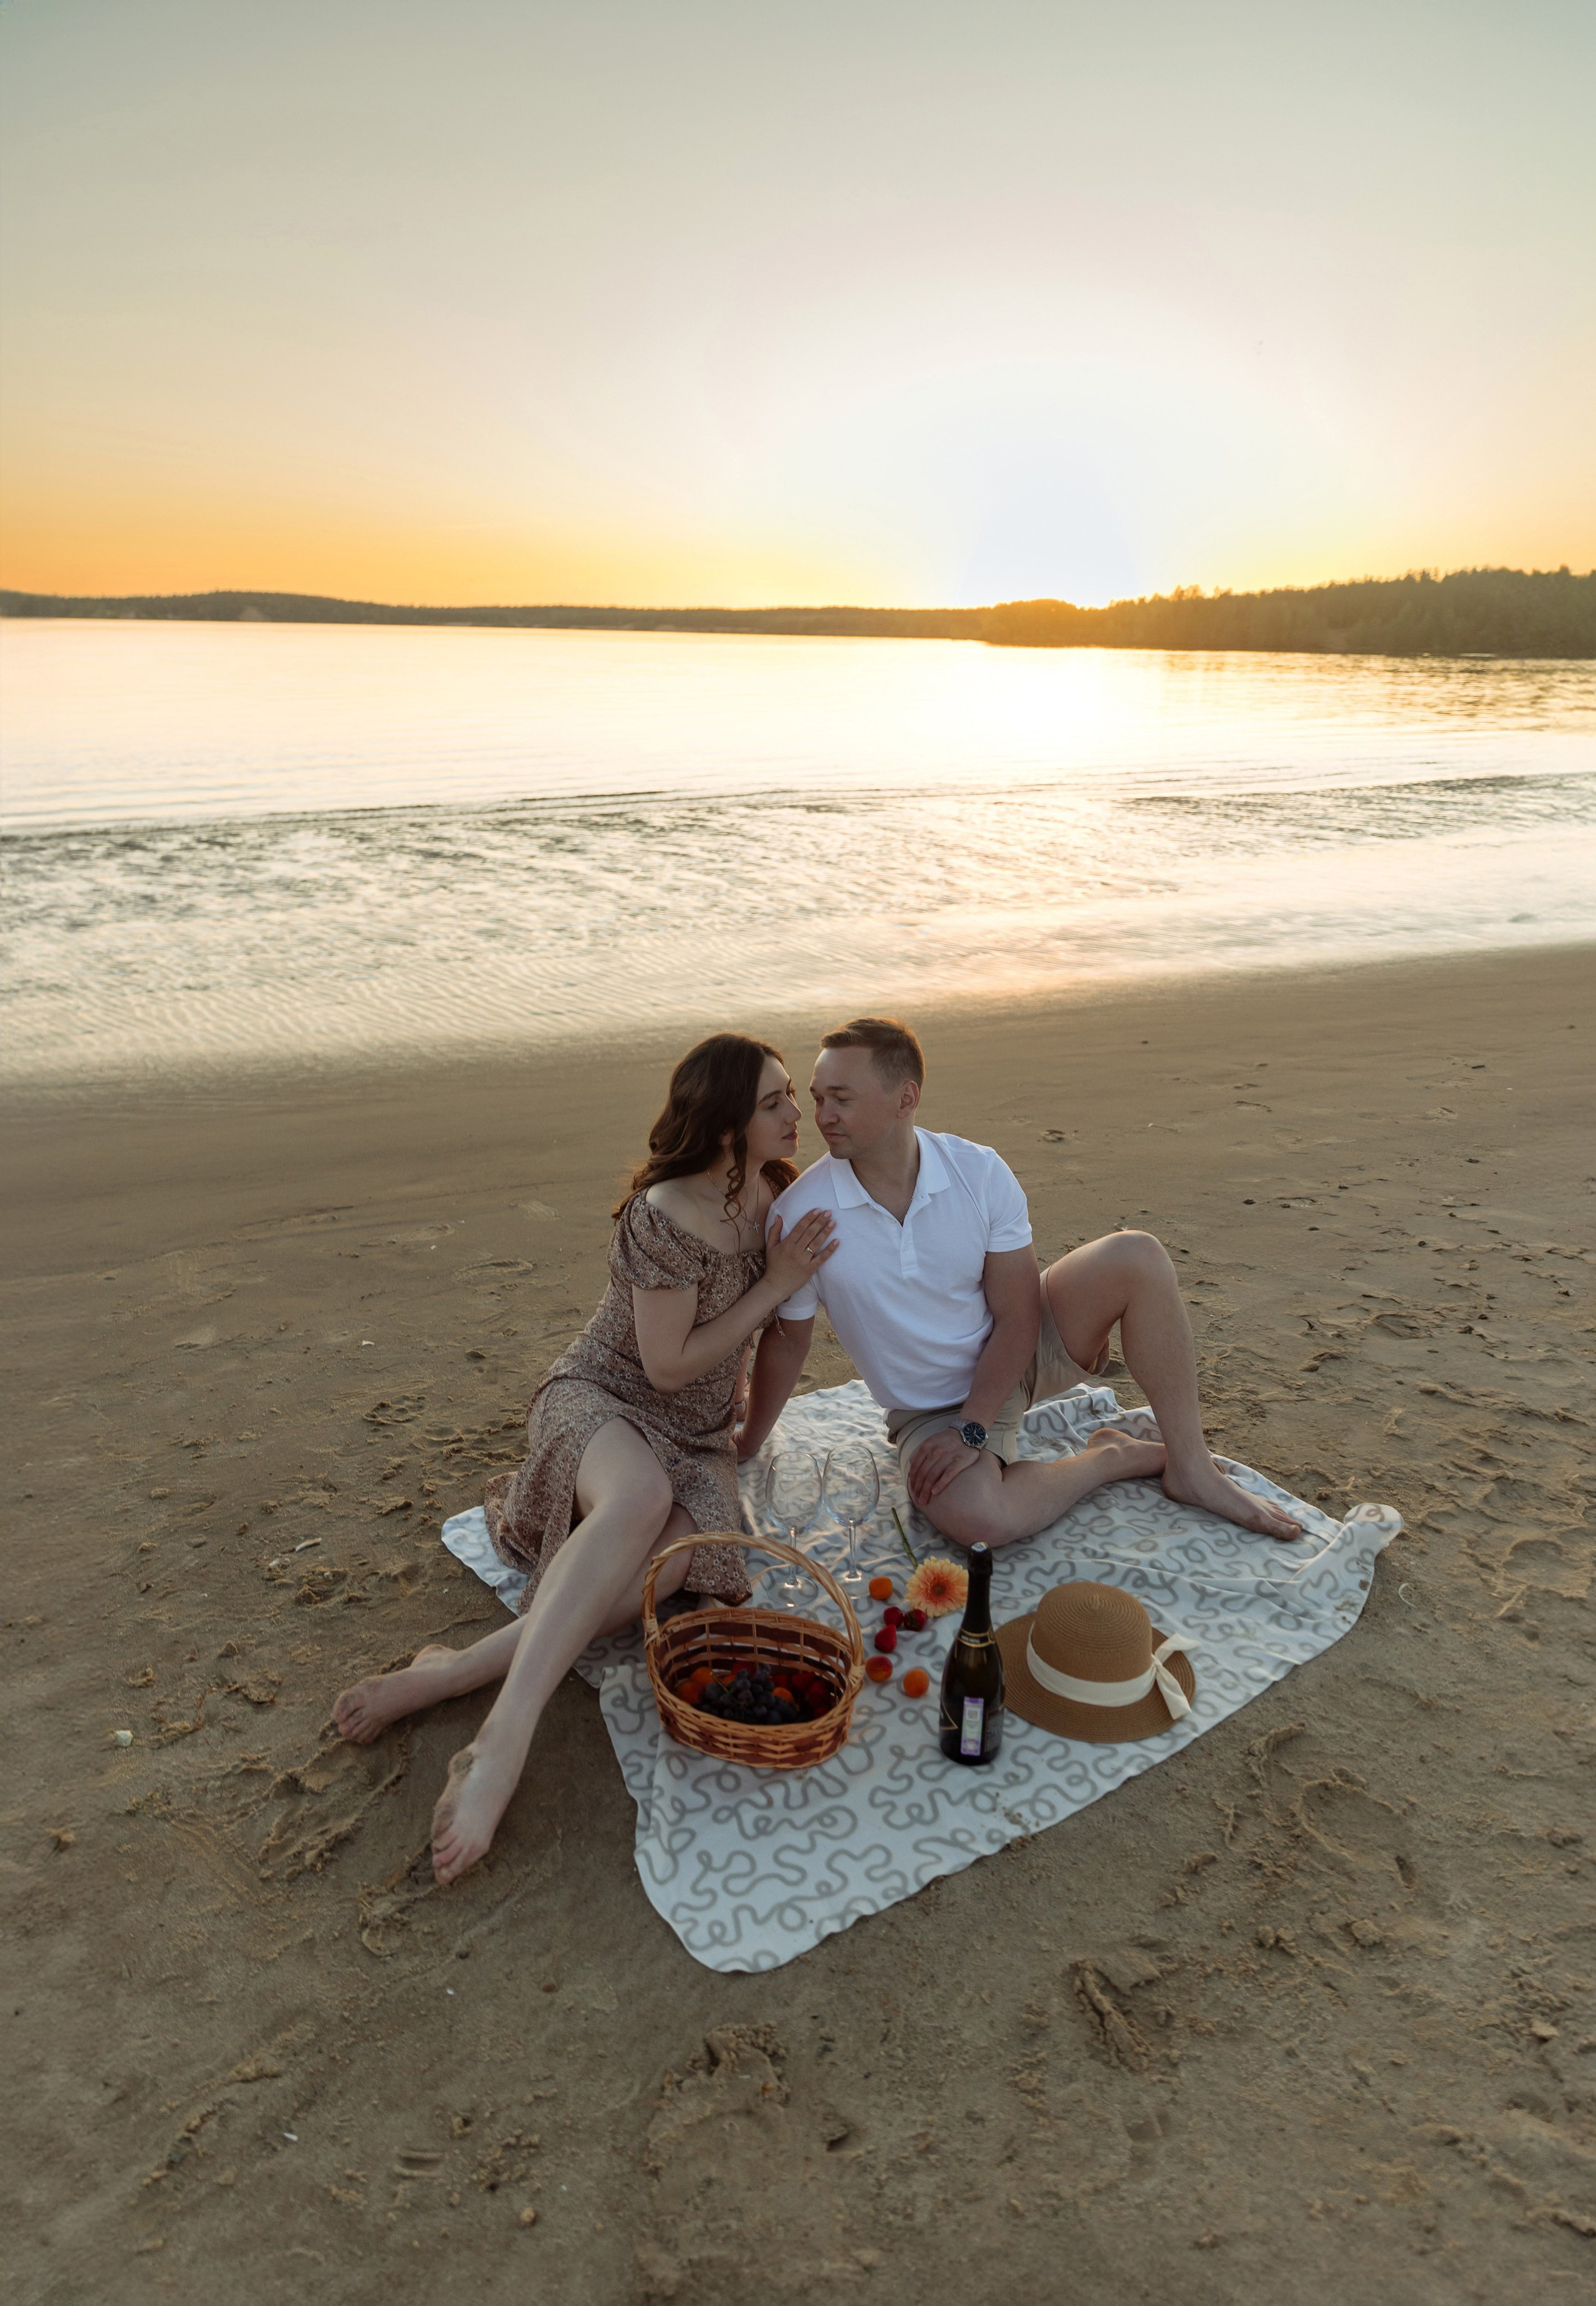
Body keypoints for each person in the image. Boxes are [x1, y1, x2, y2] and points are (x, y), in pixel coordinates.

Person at [332, 1034, 837, 1883]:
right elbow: (668, 1365)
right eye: (774, 1101)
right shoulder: (664, 1213)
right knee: (638, 1499)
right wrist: (774, 1281)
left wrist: (748, 1441)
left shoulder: (780, 1197)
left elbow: (789, 1336)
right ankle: (502, 1740)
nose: (797, 1113)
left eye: (791, 1093)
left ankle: (457, 1668)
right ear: (724, 1123)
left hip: (698, 1438)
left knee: (668, 1570)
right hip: (604, 1397)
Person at [737, 1016, 1302, 1551]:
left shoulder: (978, 1171)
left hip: (1021, 1352)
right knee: (981, 1520)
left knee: (1139, 1255)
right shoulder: (802, 1214)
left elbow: (1019, 1313)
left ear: (906, 1099)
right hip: (929, 1409)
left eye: (842, 1099)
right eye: (818, 1098)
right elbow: (789, 1343)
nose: (823, 1116)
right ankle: (1115, 1457)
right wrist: (749, 1443)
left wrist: (975, 1428)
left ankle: (1191, 1467)